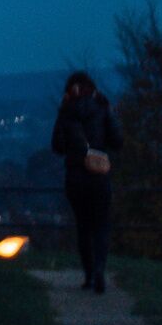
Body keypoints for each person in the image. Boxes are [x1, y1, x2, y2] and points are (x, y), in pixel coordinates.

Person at [51, 69, 121, 294]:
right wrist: (108, 112)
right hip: (99, 176)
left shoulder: (67, 112)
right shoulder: (101, 108)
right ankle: (100, 268)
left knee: (83, 227)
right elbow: (117, 141)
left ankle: (89, 274)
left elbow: (58, 146)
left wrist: (62, 112)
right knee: (101, 225)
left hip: (76, 177)